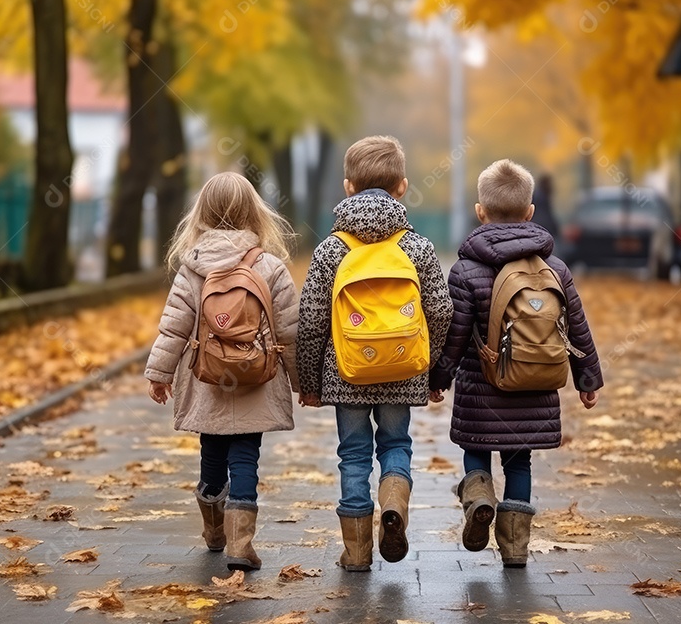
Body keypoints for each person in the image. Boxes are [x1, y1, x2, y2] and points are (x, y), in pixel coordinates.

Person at [430, 159, 603, 568]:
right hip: (535, 386)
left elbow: (455, 334)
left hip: (481, 389)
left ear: (480, 211)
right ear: (530, 212)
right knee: (519, 461)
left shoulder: (466, 270)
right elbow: (576, 327)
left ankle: (477, 502)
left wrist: (438, 378)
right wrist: (588, 378)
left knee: (476, 449)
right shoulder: (555, 268)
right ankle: (515, 549)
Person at [297, 135, 453, 572]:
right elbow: (441, 311)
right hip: (403, 371)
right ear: (402, 187)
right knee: (396, 444)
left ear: (348, 187)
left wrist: (308, 382)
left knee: (352, 455)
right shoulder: (417, 248)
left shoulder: (331, 249)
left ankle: (358, 552)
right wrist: (432, 366)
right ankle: (394, 509)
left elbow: (309, 322)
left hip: (346, 374)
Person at [145, 172, 299, 572]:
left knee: (211, 451)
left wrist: (159, 374)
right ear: (254, 212)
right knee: (246, 455)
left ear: (203, 213)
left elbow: (174, 326)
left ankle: (215, 529)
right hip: (256, 378)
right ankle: (240, 545)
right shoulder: (270, 266)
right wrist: (304, 384)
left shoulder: (192, 267)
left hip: (206, 378)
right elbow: (290, 332)